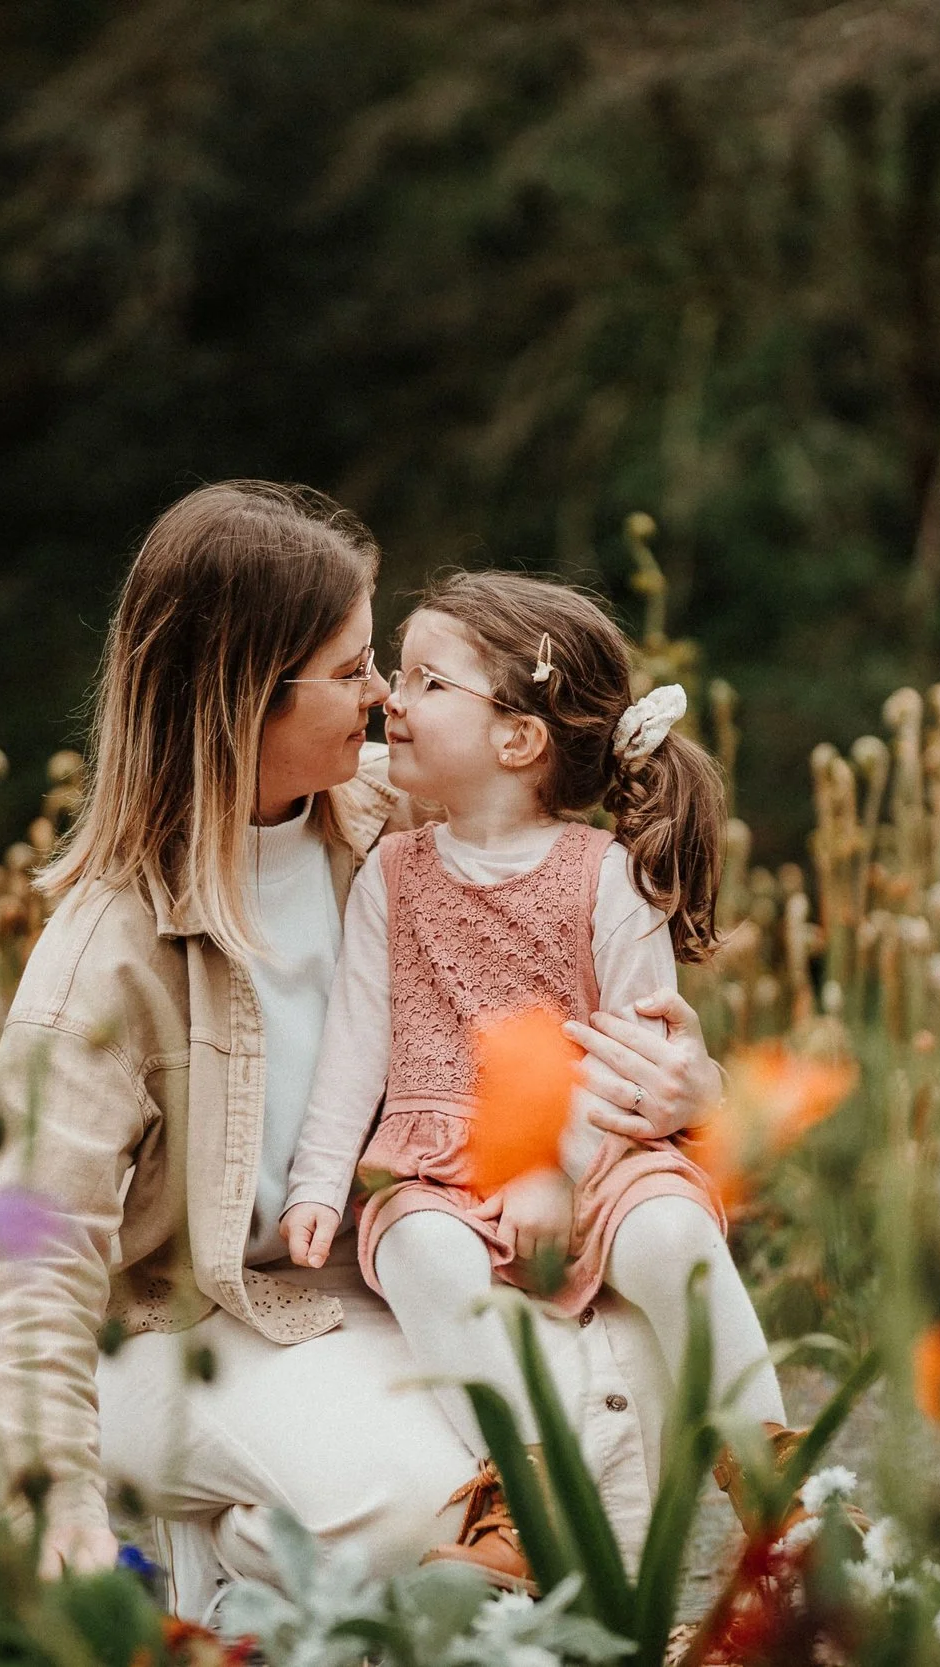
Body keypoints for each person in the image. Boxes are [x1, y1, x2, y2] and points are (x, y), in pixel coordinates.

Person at [0, 483, 729, 1609]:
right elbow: (30, 1260)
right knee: (458, 1506)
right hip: (186, 1328)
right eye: (350, 669)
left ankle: (281, 1553)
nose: (382, 698)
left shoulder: (396, 822)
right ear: (242, 698)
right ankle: (246, 1589)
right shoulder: (103, 958)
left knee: (635, 1383)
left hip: (392, 1265)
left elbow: (584, 952)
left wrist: (684, 1081)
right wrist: (50, 1503)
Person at [279, 571, 786, 1589]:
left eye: (425, 682)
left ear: (518, 738)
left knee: (674, 1235)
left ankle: (774, 1470)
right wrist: (316, 1183)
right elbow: (355, 1047)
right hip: (433, 1163)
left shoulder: (609, 874)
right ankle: (519, 1480)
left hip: (593, 1154)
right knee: (419, 1249)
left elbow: (633, 1062)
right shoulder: (391, 873)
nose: (391, 699)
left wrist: (556, 1170)